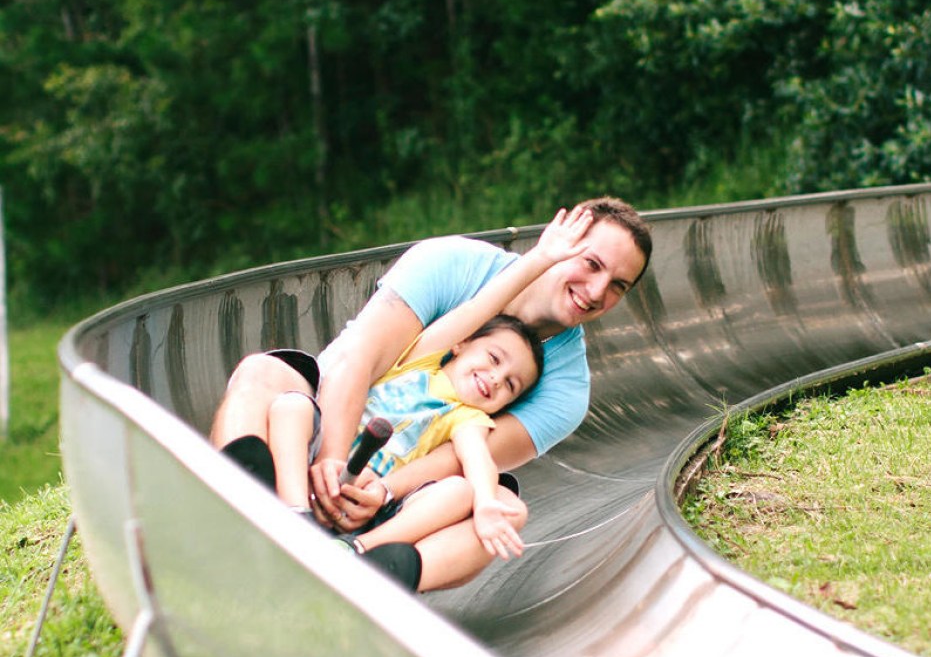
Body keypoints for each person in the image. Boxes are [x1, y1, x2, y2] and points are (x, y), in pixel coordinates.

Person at [211, 197, 652, 591]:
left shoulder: (567, 390)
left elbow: (463, 455)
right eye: (592, 264)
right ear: (561, 241)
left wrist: (377, 493)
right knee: (261, 373)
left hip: (395, 486)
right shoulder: (452, 263)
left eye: (619, 286)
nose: (597, 292)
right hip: (329, 419)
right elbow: (359, 360)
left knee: (502, 508)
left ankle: (366, 569)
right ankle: (241, 504)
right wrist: (332, 461)